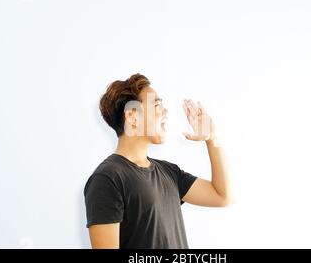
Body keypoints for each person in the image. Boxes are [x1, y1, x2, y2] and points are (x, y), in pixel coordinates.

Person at [84, 73, 232, 249]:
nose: (165, 111)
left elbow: (222, 196)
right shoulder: (107, 179)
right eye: (156, 105)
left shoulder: (169, 173)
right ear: (132, 116)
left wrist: (212, 138)